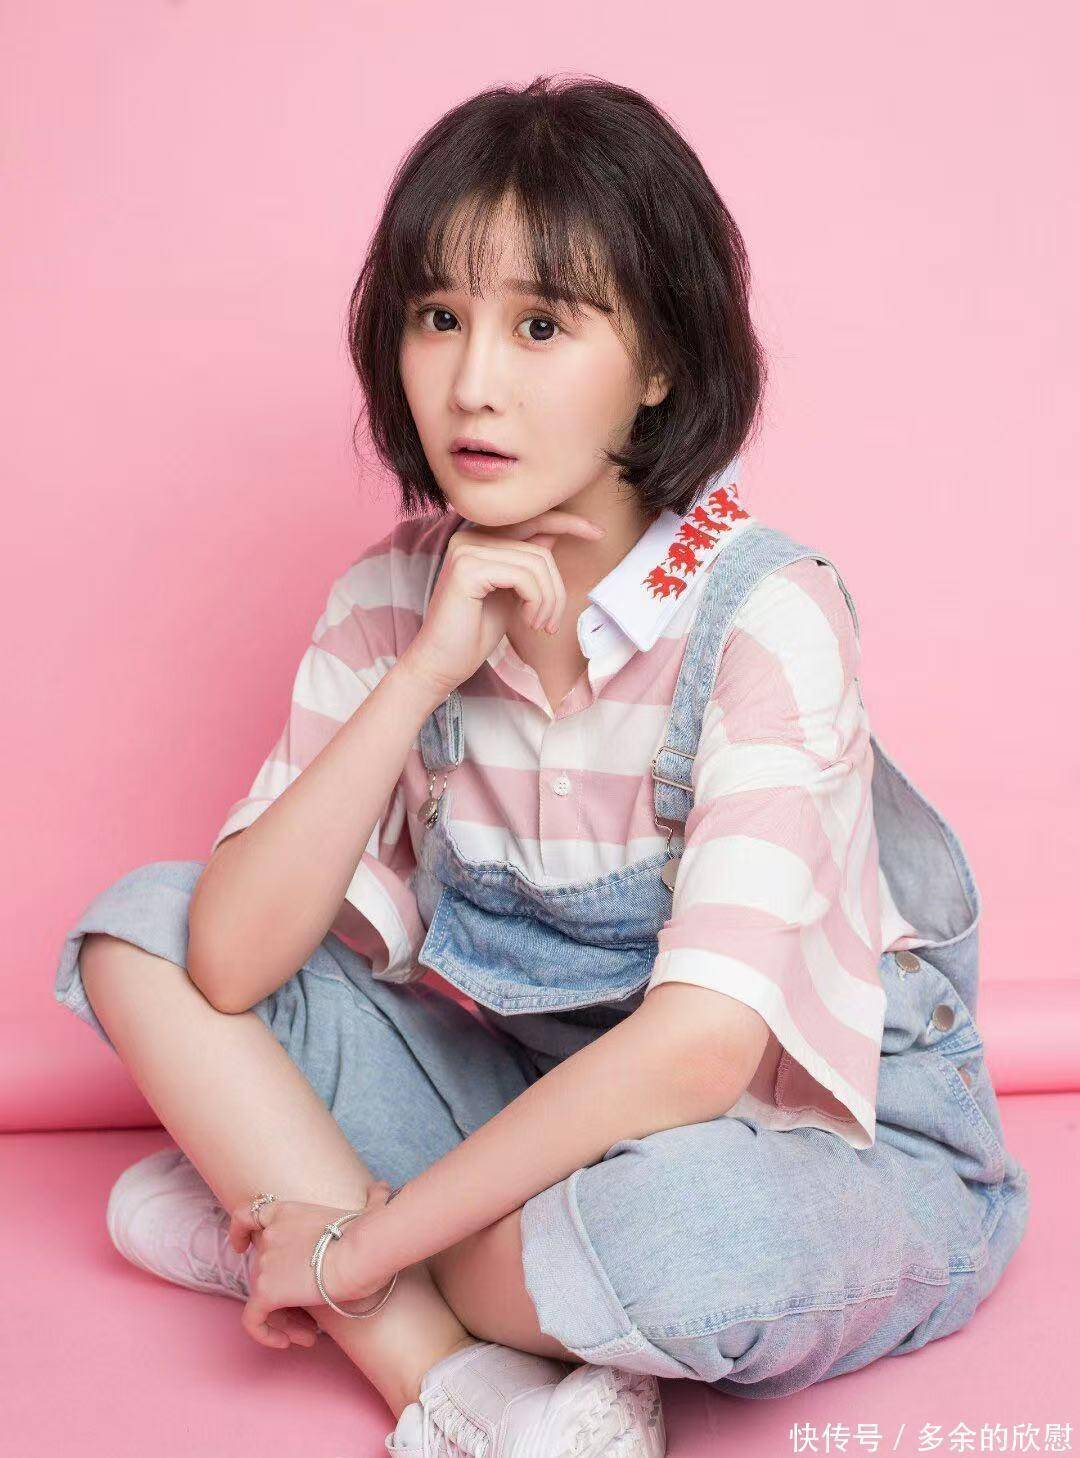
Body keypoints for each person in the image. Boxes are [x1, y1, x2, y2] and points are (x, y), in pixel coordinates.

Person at [53, 73, 1030, 1458]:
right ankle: (458, 1388)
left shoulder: (766, 614)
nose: (473, 384)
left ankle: (295, 1228)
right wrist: (422, 673)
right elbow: (223, 960)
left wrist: (359, 1240)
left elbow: (698, 1054)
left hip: (812, 1145)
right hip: (524, 1109)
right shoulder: (395, 599)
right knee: (141, 929)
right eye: (437, 317)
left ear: (660, 361)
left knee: (677, 1239)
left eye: (541, 325)